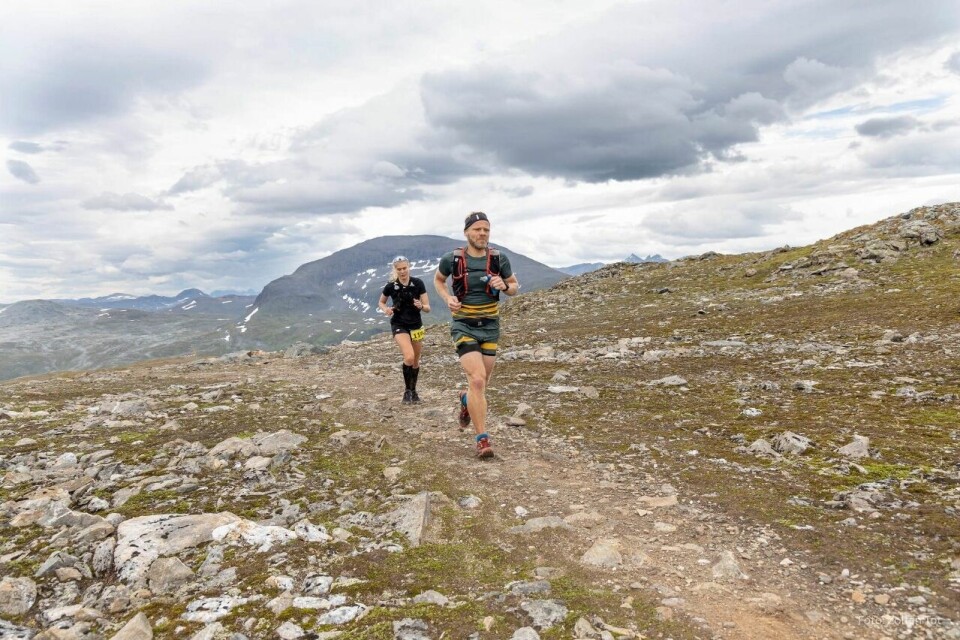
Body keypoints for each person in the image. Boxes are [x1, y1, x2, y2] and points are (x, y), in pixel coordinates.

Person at [434, 212, 520, 458]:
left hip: (490, 326)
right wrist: (447, 298)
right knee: (478, 380)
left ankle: (466, 401)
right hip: (464, 325)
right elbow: (439, 280)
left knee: (480, 385)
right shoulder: (452, 259)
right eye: (477, 229)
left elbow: (514, 286)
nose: (482, 233)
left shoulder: (498, 258)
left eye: (486, 230)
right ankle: (483, 439)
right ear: (466, 232)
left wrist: (505, 286)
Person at [378, 255, 431, 403]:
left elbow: (428, 307)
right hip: (399, 324)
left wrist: (421, 306)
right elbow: (381, 302)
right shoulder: (391, 286)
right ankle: (407, 392)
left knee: (415, 361)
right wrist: (386, 309)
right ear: (395, 270)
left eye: (404, 268)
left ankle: (414, 391)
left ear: (409, 267)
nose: (402, 271)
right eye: (399, 269)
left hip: (416, 325)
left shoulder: (418, 283)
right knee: (409, 357)